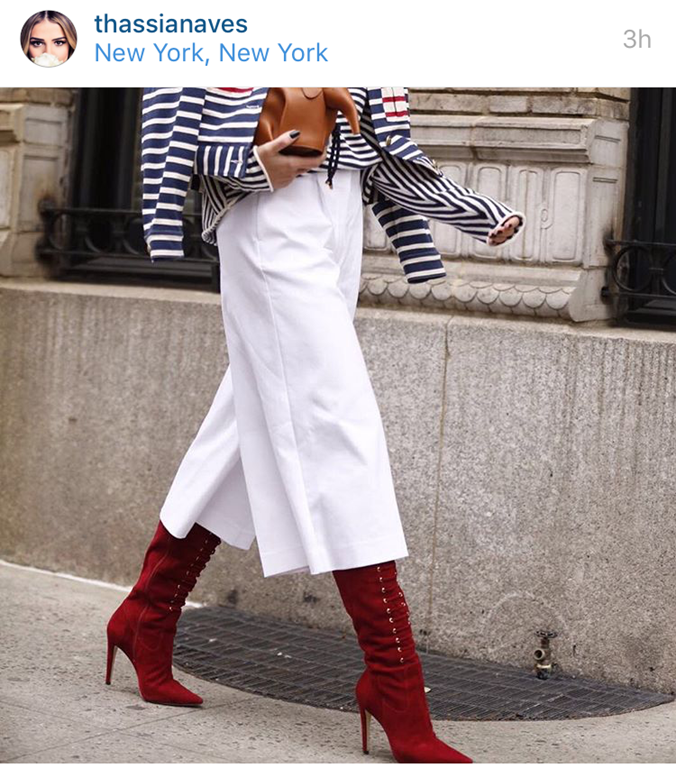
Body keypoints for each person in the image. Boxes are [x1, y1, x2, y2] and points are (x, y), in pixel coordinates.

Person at [106, 87, 525, 763]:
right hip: (267, 208)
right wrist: (247, 167)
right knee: (337, 428)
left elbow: (380, 143)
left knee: (249, 424)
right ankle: (395, 681)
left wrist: (472, 212)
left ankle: (144, 615)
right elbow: (173, 92)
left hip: (341, 212)